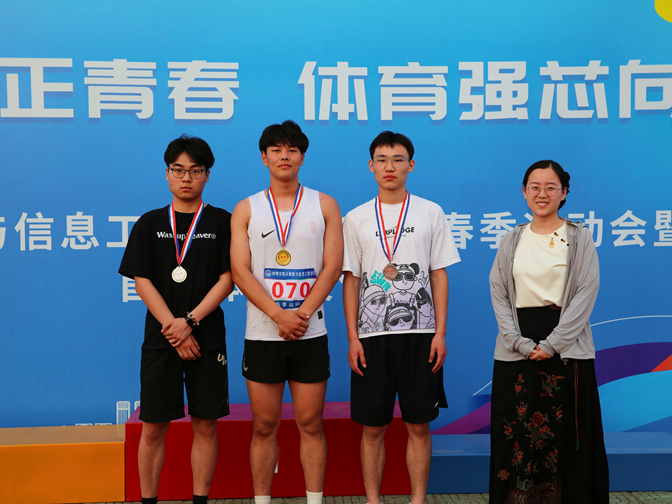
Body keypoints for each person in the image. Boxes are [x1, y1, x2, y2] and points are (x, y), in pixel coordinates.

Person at [342, 131, 461, 504]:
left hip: (422, 335)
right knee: (372, 428)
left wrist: (440, 333)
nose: (389, 166)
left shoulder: (430, 212)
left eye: (397, 159)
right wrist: (353, 338)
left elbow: (438, 274)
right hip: (371, 337)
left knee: (419, 426)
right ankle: (373, 500)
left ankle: (418, 500)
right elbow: (352, 280)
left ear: (411, 165)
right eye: (381, 159)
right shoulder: (356, 218)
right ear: (371, 166)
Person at [230, 120, 343, 504]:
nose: (284, 156)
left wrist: (302, 314)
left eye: (292, 150)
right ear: (264, 157)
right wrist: (279, 315)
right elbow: (240, 271)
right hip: (263, 332)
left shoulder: (324, 204)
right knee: (264, 426)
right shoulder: (246, 208)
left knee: (310, 423)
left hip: (310, 332)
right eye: (276, 150)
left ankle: (315, 501)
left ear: (302, 157)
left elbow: (332, 267)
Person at [119, 135, 233, 504]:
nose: (186, 178)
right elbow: (142, 281)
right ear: (167, 174)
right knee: (153, 428)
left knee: (206, 425)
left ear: (207, 175)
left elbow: (228, 279)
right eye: (178, 170)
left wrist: (191, 322)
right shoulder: (149, 223)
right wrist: (176, 329)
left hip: (207, 338)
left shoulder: (222, 222)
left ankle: (200, 500)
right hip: (162, 340)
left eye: (195, 171)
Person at [488, 160, 609, 503]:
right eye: (535, 187)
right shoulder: (511, 239)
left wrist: (553, 344)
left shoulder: (579, 237)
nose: (542, 194)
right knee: (516, 437)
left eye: (551, 187)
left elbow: (585, 292)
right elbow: (498, 291)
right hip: (517, 349)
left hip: (566, 348)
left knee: (569, 437)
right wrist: (519, 343)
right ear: (524, 192)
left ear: (564, 193)